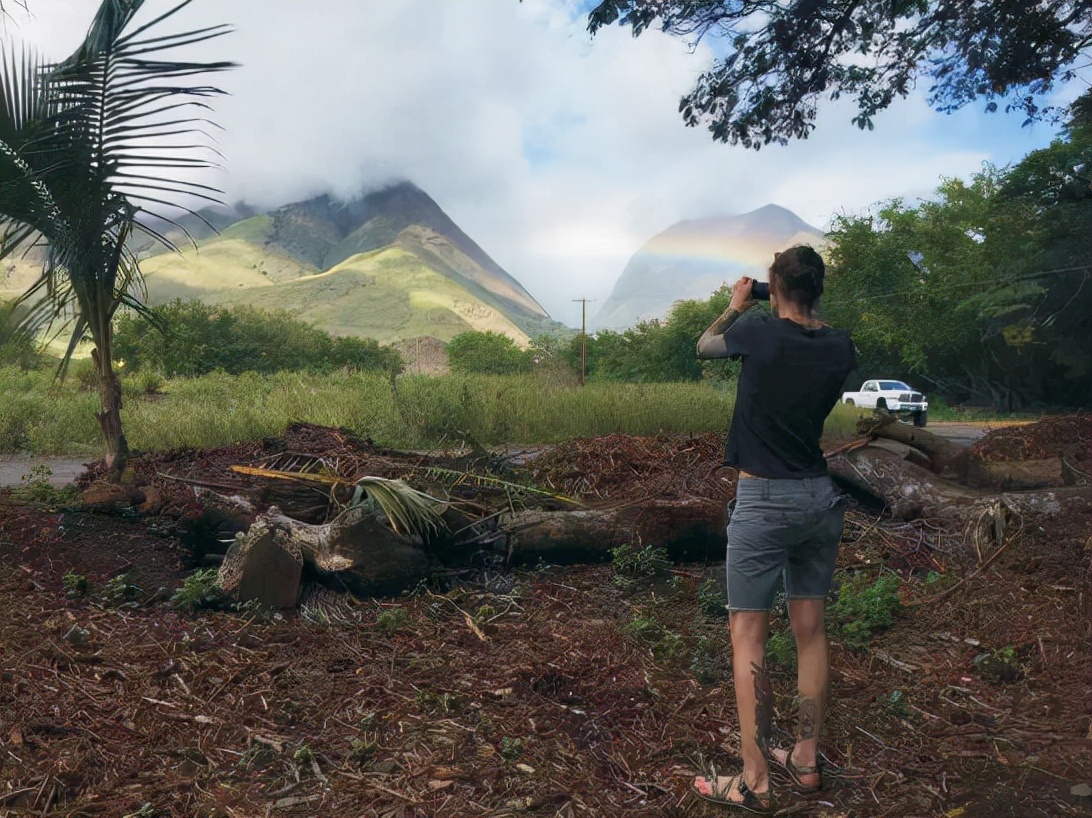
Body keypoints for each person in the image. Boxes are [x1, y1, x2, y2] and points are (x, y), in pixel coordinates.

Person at [691, 245, 855, 812]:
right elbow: (813, 329)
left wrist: (736, 305)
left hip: (763, 499)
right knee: (810, 630)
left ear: (771, 285)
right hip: (818, 496)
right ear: (818, 289)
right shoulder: (840, 344)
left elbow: (704, 347)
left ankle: (756, 779)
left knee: (748, 638)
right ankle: (805, 758)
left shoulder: (757, 331)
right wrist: (795, 302)